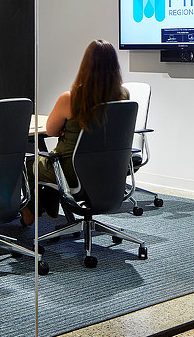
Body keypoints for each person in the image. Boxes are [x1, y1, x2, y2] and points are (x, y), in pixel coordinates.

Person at [21, 39, 129, 227]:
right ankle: (42, 210)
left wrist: (69, 128)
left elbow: (51, 130)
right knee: (46, 167)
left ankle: (31, 211)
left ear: (85, 65)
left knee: (30, 163)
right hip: (109, 169)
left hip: (72, 169)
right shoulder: (123, 95)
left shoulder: (71, 98)